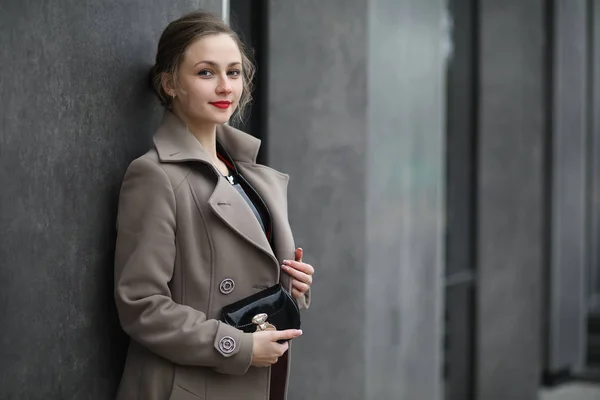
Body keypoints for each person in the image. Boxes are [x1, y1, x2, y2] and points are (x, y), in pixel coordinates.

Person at [113, 10, 314, 400]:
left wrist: (292, 283)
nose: (225, 87)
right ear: (170, 83)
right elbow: (141, 305)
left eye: (234, 73)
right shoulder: (155, 176)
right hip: (191, 384)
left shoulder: (245, 171)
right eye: (206, 73)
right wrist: (236, 346)